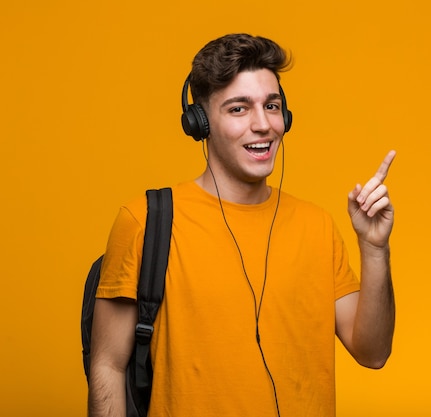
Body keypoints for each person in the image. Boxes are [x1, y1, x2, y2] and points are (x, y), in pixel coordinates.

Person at [88, 33, 396, 417]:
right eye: (238, 109)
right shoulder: (145, 221)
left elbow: (373, 352)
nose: (263, 124)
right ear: (199, 122)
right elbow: (108, 366)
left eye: (272, 106)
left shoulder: (317, 225)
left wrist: (374, 249)